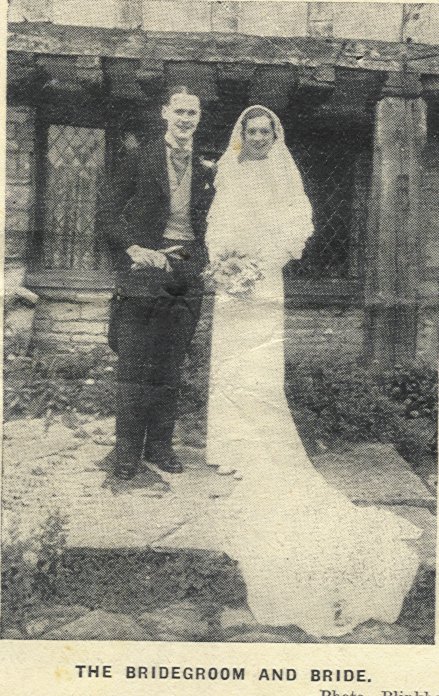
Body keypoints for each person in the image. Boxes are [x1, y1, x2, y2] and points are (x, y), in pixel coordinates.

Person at [163, 106, 422, 638]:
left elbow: (298, 222)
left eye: (265, 132)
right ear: (242, 134)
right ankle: (228, 445)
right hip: (233, 281)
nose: (257, 138)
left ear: (274, 135)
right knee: (229, 359)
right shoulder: (230, 170)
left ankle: (258, 443)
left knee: (259, 358)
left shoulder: (284, 170)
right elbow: (216, 222)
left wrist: (267, 258)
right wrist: (224, 262)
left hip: (264, 279)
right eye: (251, 131)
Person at [102, 86, 215, 479]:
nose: (186, 119)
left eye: (193, 114)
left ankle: (161, 446)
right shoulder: (138, 158)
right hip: (140, 273)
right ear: (165, 112)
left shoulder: (205, 171)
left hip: (184, 274)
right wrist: (133, 248)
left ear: (199, 118)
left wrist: (185, 260)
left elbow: (204, 233)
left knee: (170, 365)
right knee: (134, 364)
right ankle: (127, 451)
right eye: (179, 111)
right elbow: (108, 213)